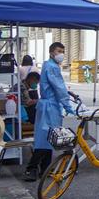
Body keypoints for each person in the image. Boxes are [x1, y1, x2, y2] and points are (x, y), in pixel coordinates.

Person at [25, 43, 75, 181]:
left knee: (49, 139)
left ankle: (45, 169)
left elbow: (58, 88)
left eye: (63, 51)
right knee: (45, 139)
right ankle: (32, 168)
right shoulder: (52, 67)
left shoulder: (49, 65)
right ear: (52, 52)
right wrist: (68, 105)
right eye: (59, 51)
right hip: (50, 107)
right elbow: (59, 88)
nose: (62, 54)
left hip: (49, 106)